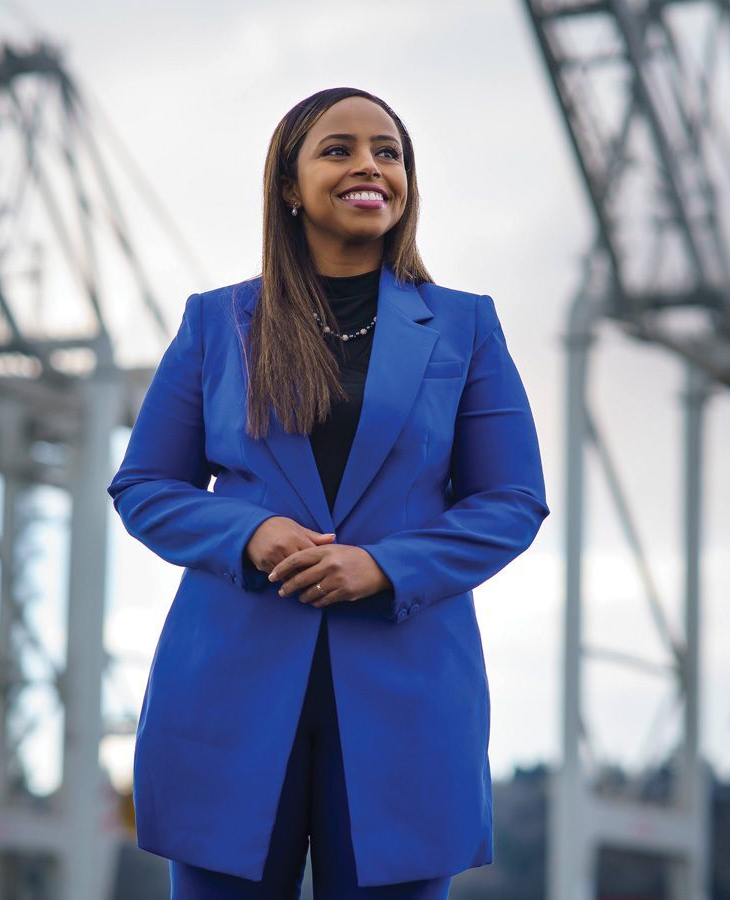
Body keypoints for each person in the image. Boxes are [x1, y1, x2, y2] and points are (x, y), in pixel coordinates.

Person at [107, 86, 549, 900]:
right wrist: (249, 534)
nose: (369, 166)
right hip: (226, 695)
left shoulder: (466, 325)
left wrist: (386, 568)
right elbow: (144, 484)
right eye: (338, 149)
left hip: (408, 696)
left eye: (389, 151)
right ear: (288, 184)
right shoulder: (217, 323)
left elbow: (513, 499)